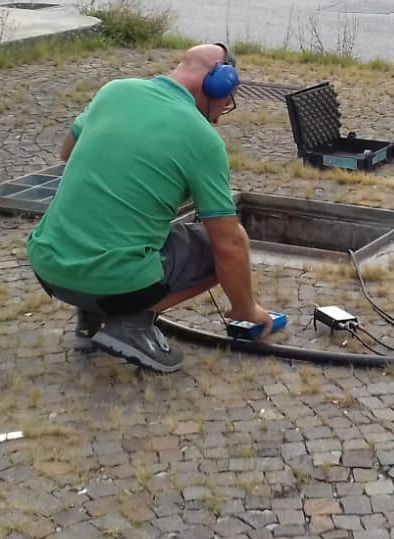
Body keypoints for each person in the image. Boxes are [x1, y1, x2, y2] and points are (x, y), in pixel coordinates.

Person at [27, 43, 276, 373]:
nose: (218, 117)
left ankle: (92, 317)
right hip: (114, 281)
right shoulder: (202, 138)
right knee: (219, 245)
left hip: (47, 266)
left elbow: (68, 152)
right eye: (225, 103)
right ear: (218, 84)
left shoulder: (114, 91)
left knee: (125, 230)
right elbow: (228, 245)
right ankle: (130, 324)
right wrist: (247, 309)